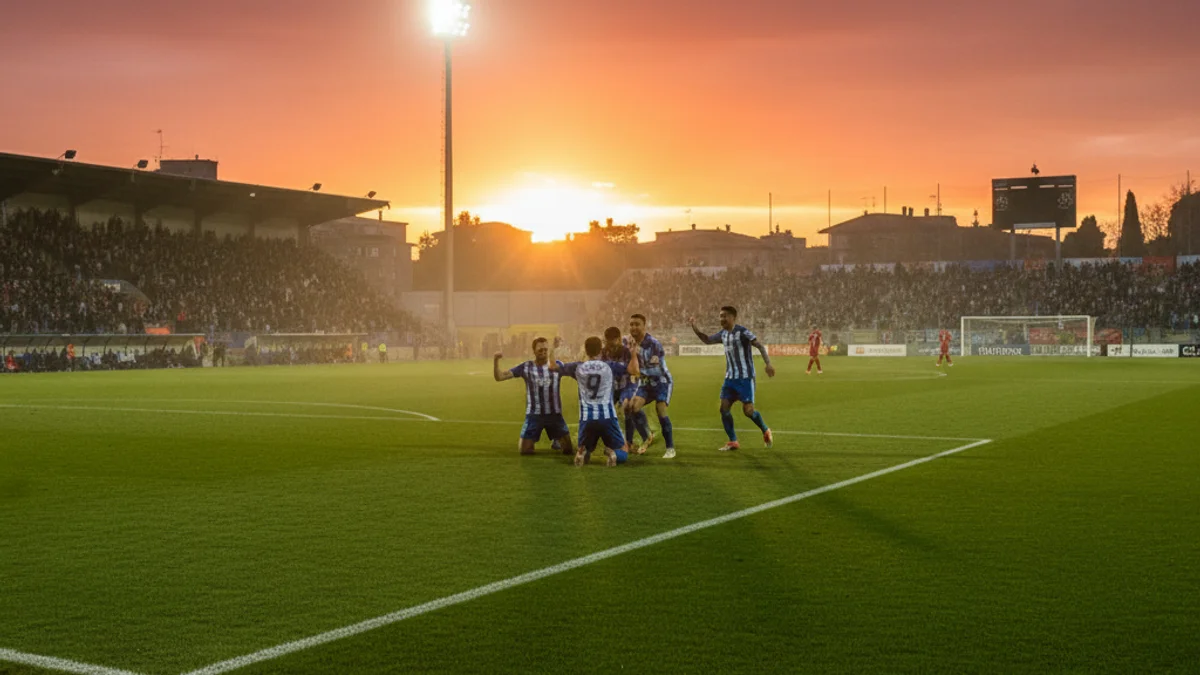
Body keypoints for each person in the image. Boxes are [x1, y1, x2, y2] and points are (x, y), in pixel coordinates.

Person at [690, 306, 775, 452]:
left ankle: (765, 430)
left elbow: (759, 345)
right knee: (724, 409)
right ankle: (733, 441)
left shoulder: (742, 332)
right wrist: (695, 327)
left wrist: (768, 364)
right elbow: (707, 340)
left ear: (733, 317)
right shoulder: (723, 334)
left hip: (745, 378)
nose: (721, 319)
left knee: (748, 411)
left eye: (725, 316)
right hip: (730, 378)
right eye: (720, 316)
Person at [551, 336, 638, 467]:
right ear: (600, 350)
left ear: (586, 350)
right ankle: (614, 455)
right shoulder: (609, 366)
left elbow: (553, 367)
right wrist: (633, 353)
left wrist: (553, 349)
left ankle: (582, 453)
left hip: (587, 418)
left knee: (585, 449)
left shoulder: (577, 367)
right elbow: (634, 370)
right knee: (623, 449)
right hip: (607, 416)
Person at [494, 338, 576, 457]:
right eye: (540, 349)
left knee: (568, 450)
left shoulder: (556, 365)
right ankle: (554, 438)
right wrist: (496, 360)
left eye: (545, 349)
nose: (543, 352)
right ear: (534, 351)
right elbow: (500, 377)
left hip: (554, 415)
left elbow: (575, 372)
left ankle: (556, 438)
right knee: (525, 451)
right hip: (534, 415)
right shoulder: (526, 367)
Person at [628, 313, 676, 458]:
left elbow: (656, 369)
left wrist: (636, 369)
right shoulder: (631, 342)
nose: (633, 327)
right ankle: (647, 436)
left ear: (644, 326)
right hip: (646, 383)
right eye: (631, 324)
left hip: (661, 381)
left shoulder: (653, 344)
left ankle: (670, 448)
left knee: (660, 409)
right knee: (633, 407)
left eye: (637, 324)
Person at [603, 326, 654, 454]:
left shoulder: (627, 351)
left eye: (613, 343)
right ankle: (612, 440)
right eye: (608, 344)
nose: (611, 347)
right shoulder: (604, 352)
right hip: (612, 386)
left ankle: (636, 439)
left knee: (627, 406)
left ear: (619, 339)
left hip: (628, 384)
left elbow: (636, 370)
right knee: (605, 410)